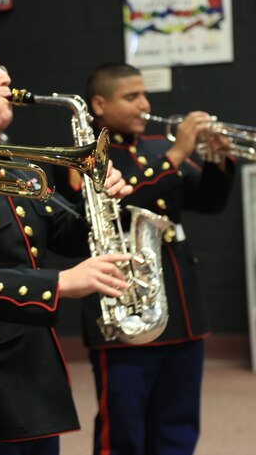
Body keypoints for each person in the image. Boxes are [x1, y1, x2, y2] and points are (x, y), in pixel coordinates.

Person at [0, 34, 133, 455]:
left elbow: (64, 236)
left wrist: (103, 202)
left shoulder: (15, 163)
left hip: (32, 371)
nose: (5, 77)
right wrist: (61, 284)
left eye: (2, 67)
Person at [53, 62, 235, 455]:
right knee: (123, 431)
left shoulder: (155, 148)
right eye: (131, 96)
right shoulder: (83, 155)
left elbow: (209, 201)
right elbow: (117, 203)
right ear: (99, 103)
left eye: (145, 95)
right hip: (125, 304)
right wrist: (177, 154)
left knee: (178, 425)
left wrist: (219, 162)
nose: (144, 104)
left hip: (181, 309)